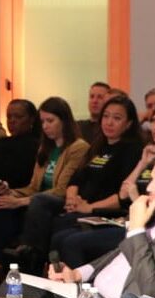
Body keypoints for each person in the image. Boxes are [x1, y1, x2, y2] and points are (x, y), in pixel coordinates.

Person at [45, 151, 155, 298]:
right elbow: (122, 254)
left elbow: (151, 287)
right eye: (152, 179)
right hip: (90, 293)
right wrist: (78, 274)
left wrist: (137, 229)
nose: (150, 187)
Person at [27, 96, 144, 269]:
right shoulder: (98, 146)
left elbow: (122, 195)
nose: (109, 122)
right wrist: (72, 198)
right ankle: (36, 261)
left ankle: (45, 268)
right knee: (43, 205)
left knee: (62, 227)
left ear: (128, 124)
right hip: (80, 205)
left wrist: (89, 207)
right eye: (106, 116)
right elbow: (76, 178)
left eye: (116, 118)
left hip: (105, 211)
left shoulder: (132, 151)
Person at [0, 96, 89, 268]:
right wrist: (11, 192)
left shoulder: (78, 147)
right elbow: (33, 187)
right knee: (2, 203)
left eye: (50, 121)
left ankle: (30, 251)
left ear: (64, 120)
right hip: (40, 200)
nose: (45, 126)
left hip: (61, 201)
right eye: (43, 122)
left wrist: (19, 201)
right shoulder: (45, 147)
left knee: (38, 201)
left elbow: (61, 190)